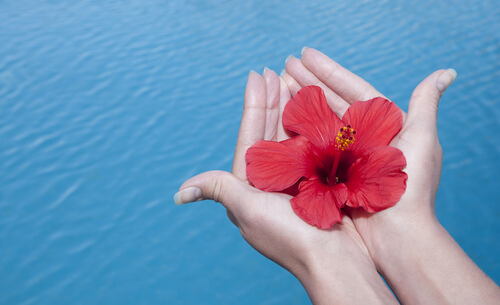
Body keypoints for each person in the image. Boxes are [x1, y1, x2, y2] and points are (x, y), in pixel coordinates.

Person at [174, 48, 500, 304]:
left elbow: (375, 155)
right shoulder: (319, 154)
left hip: (351, 180)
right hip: (317, 180)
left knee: (344, 143)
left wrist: (326, 258)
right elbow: (275, 162)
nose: (343, 141)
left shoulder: (351, 149)